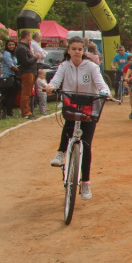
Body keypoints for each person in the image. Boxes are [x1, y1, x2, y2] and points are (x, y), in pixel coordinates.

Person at [45, 36, 110, 200]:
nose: (76, 51)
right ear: (68, 50)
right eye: (73, 49)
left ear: (83, 51)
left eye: (79, 49)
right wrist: (51, 87)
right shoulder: (64, 66)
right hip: (71, 103)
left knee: (86, 145)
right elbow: (55, 81)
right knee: (68, 123)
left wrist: (105, 92)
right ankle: (61, 153)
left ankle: (86, 183)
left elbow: (101, 83)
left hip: (89, 105)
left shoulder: (91, 66)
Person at [0, 40, 19, 117]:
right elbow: (11, 65)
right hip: (8, 77)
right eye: (9, 45)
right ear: (6, 46)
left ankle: (9, 111)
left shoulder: (13, 54)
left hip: (14, 76)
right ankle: (8, 111)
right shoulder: (6, 54)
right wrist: (20, 71)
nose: (11, 46)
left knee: (13, 95)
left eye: (13, 45)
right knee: (9, 95)